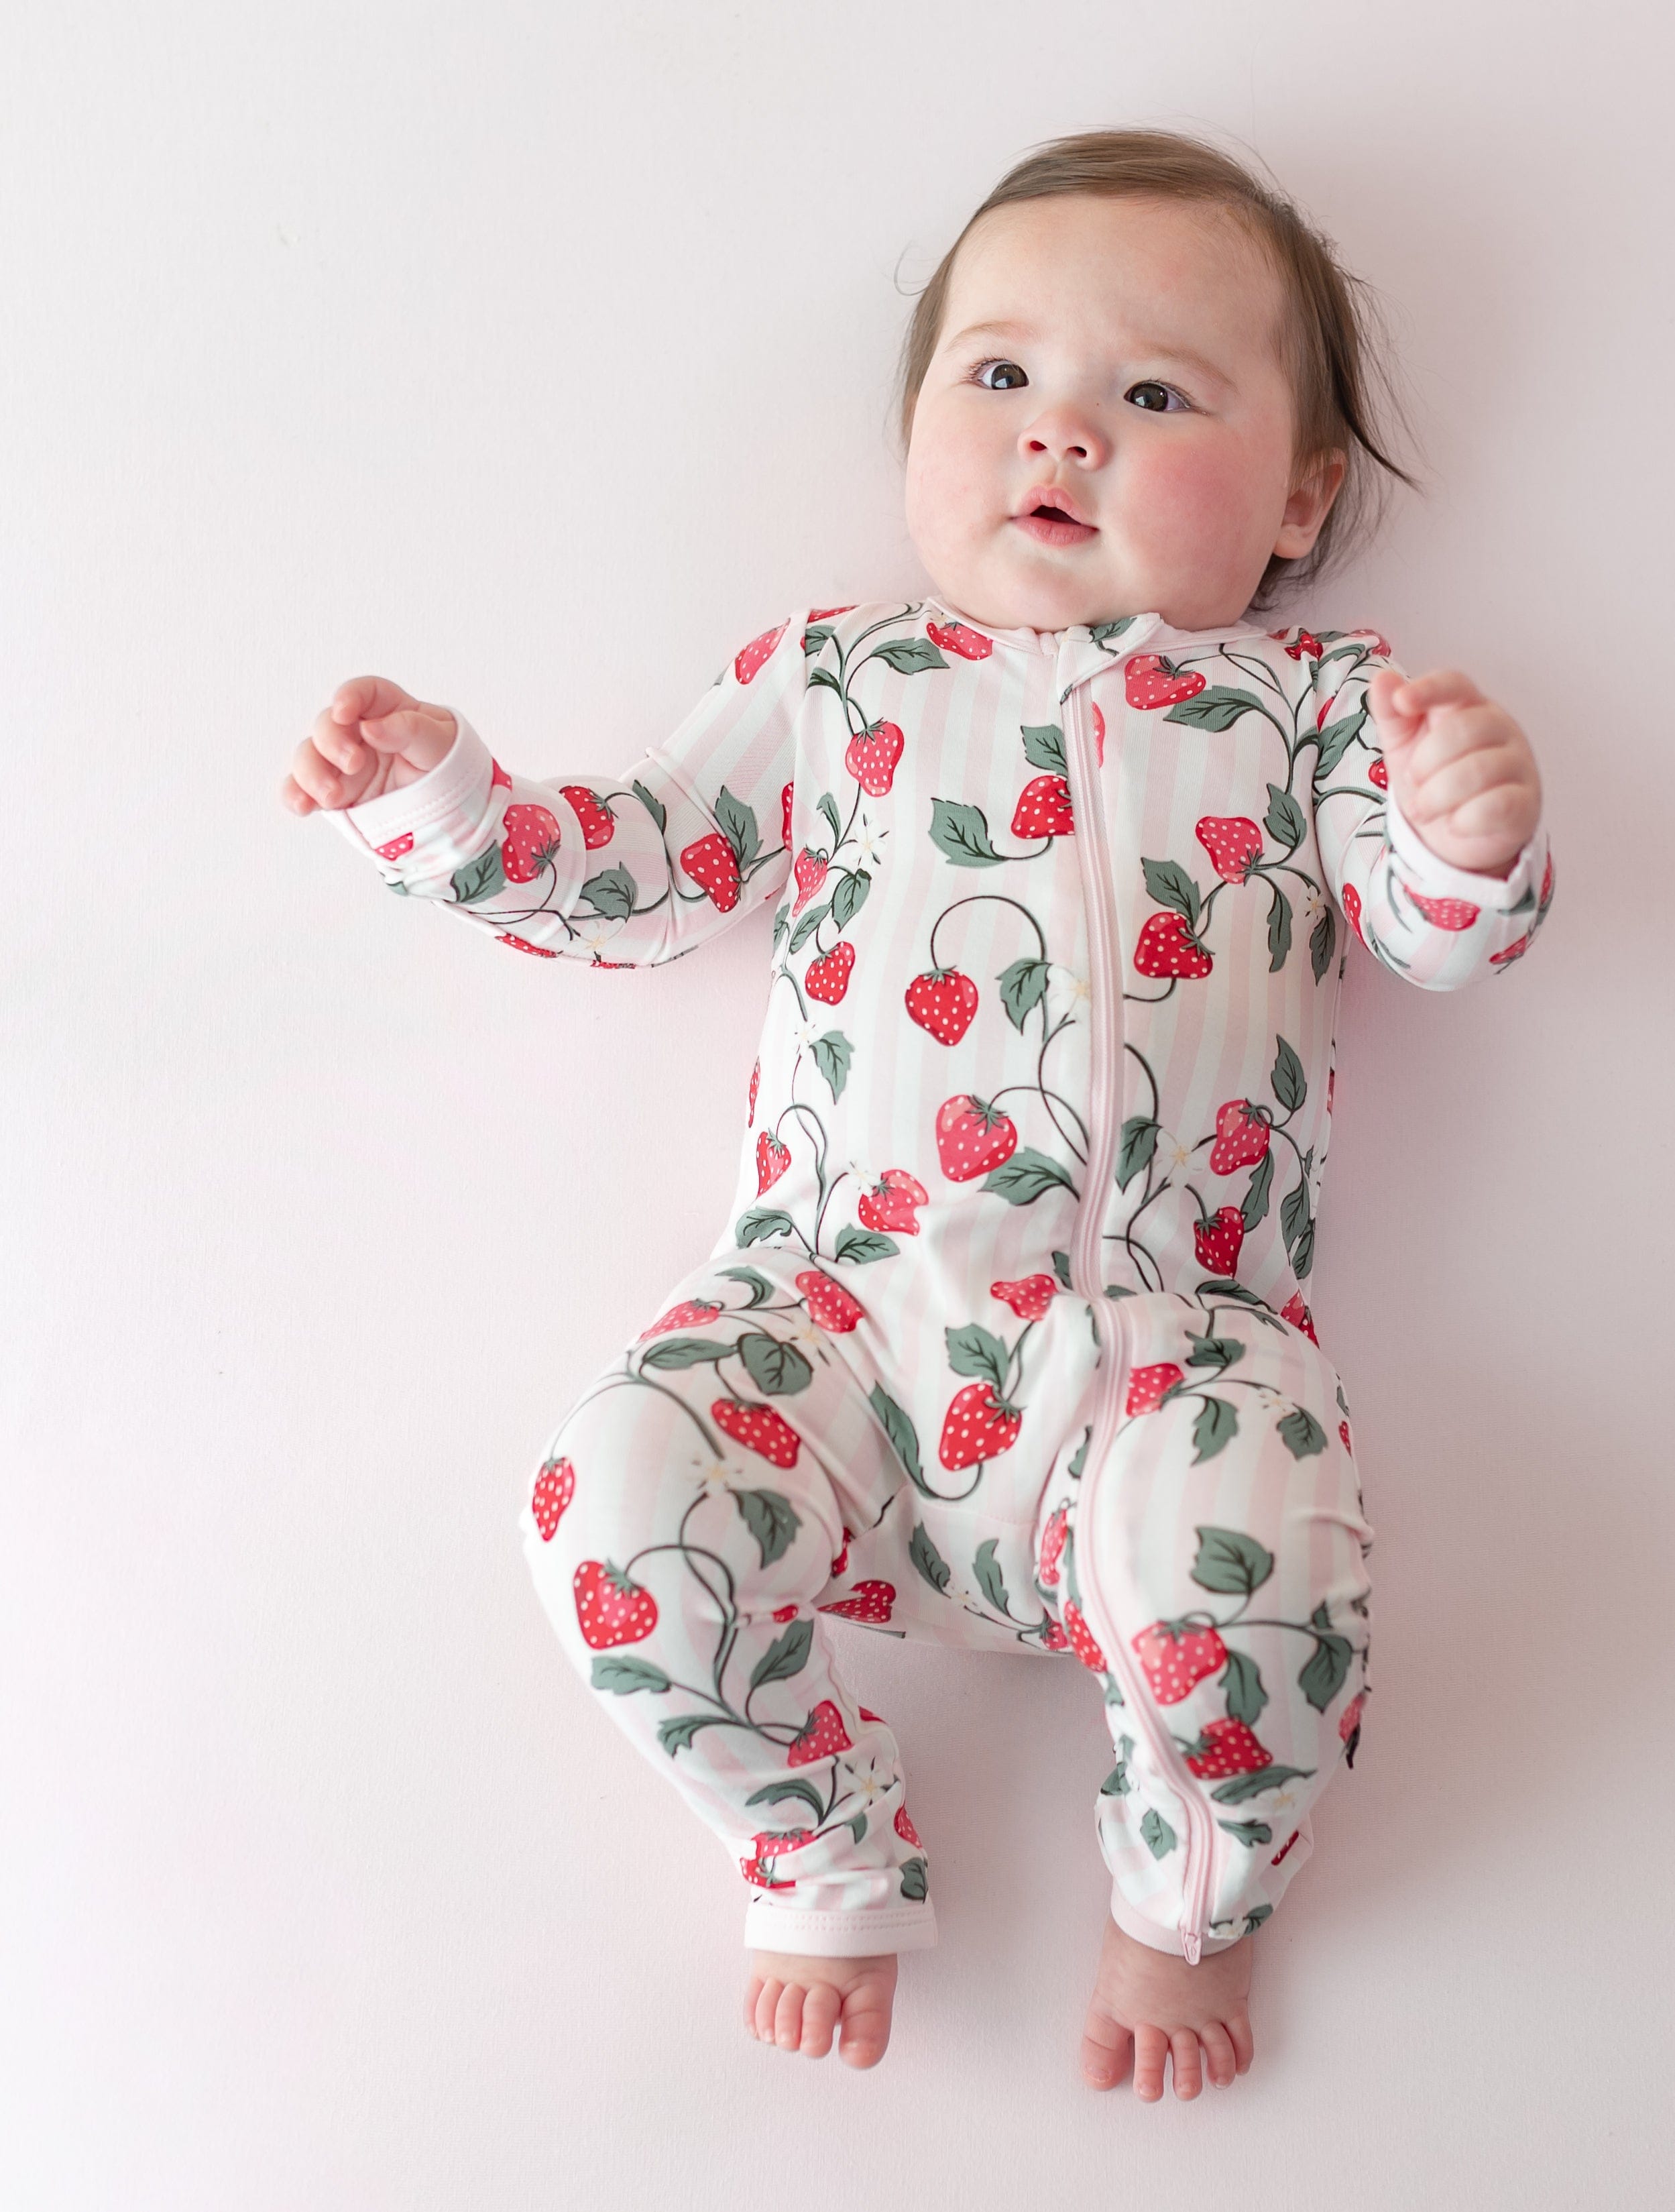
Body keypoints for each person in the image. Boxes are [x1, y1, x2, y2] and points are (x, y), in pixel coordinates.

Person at [279, 126, 1553, 2103]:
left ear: (1299, 496)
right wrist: (447, 800)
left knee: (1272, 1579)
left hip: (1172, 1352)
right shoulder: (842, 680)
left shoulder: (1309, 710)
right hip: (831, 1328)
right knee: (605, 1497)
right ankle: (811, 1831)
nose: (1061, 436)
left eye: (1150, 395)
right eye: (998, 378)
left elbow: (1428, 926)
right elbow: (645, 868)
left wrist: (1467, 832)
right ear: (916, 436)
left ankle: (1186, 1898)